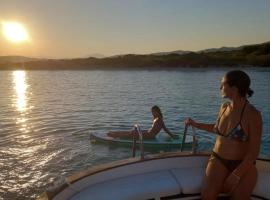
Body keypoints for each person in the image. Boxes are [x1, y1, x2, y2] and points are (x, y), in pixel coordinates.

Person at [185, 70, 262, 200]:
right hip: (218, 160)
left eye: (223, 84)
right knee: (207, 197)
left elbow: (254, 152)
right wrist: (196, 124)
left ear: (234, 88)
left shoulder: (252, 115)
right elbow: (218, 129)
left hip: (242, 163)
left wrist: (237, 174)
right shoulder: (224, 107)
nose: (220, 87)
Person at [107, 105, 177, 139]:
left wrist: (172, 135)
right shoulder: (156, 118)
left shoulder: (160, 119)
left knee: (132, 134)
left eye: (153, 112)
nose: (152, 113)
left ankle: (115, 136)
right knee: (132, 131)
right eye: (152, 112)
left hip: (150, 135)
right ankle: (115, 132)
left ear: (158, 111)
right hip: (148, 132)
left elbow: (165, 129)